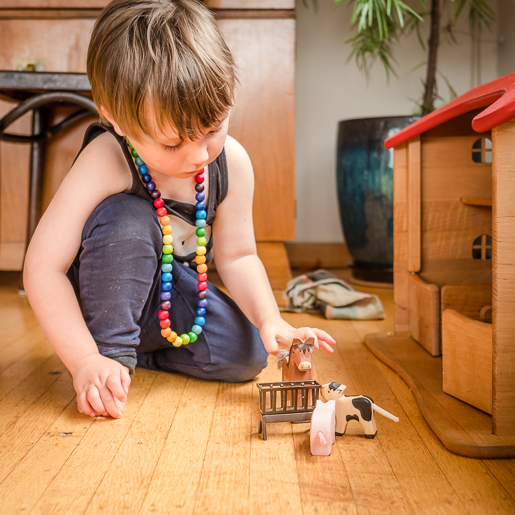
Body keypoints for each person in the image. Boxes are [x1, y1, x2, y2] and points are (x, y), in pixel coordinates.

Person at [23, 0, 335, 420]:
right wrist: (82, 361)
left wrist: (269, 317)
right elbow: (43, 268)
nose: (197, 155)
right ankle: (109, 354)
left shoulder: (232, 164)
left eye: (213, 129)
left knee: (248, 353)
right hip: (108, 295)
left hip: (171, 296)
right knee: (128, 219)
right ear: (115, 119)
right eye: (172, 144)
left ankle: (139, 355)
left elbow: (239, 256)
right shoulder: (107, 158)